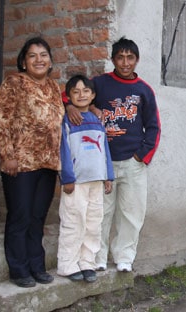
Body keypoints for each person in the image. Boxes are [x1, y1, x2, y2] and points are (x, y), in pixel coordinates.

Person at [65, 37, 161, 273]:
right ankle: (97, 256)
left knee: (131, 212)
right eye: (120, 57)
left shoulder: (144, 90)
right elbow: (71, 94)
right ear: (113, 59)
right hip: (102, 162)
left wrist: (142, 156)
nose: (125, 62)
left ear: (136, 60)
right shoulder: (100, 83)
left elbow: (154, 126)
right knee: (101, 212)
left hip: (132, 162)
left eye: (130, 57)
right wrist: (69, 106)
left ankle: (124, 257)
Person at [0, 37, 65, 287]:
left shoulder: (54, 88)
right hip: (20, 163)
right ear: (23, 61)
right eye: (32, 55)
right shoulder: (14, 83)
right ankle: (19, 270)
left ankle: (37, 266)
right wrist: (7, 155)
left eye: (43, 55)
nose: (38, 60)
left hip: (47, 163)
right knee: (20, 216)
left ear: (51, 61)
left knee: (37, 218)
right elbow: (1, 119)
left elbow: (64, 114)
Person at [57, 74, 114, 283]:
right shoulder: (67, 120)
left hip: (96, 182)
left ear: (93, 95)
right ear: (69, 96)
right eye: (76, 91)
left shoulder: (97, 120)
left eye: (86, 91)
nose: (81, 95)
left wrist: (108, 175)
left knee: (93, 222)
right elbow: (63, 149)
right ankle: (67, 264)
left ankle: (87, 262)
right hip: (76, 182)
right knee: (73, 221)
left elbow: (104, 149)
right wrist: (67, 178)